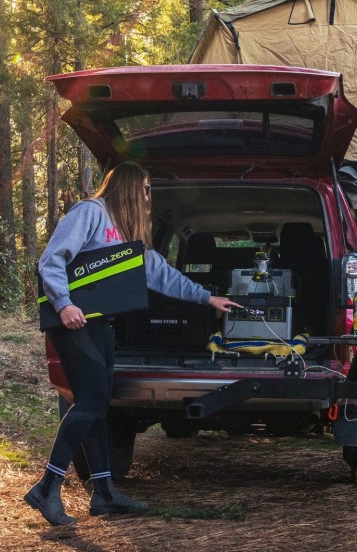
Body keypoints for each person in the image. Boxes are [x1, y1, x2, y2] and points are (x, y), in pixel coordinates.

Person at [25, 161, 240, 526]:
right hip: (74, 322)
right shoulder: (89, 213)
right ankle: (47, 487)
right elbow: (51, 259)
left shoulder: (126, 232)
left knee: (98, 405)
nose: (147, 195)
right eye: (144, 187)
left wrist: (207, 298)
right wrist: (64, 305)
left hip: (101, 324)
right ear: (126, 186)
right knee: (89, 400)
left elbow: (160, 273)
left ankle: (104, 493)